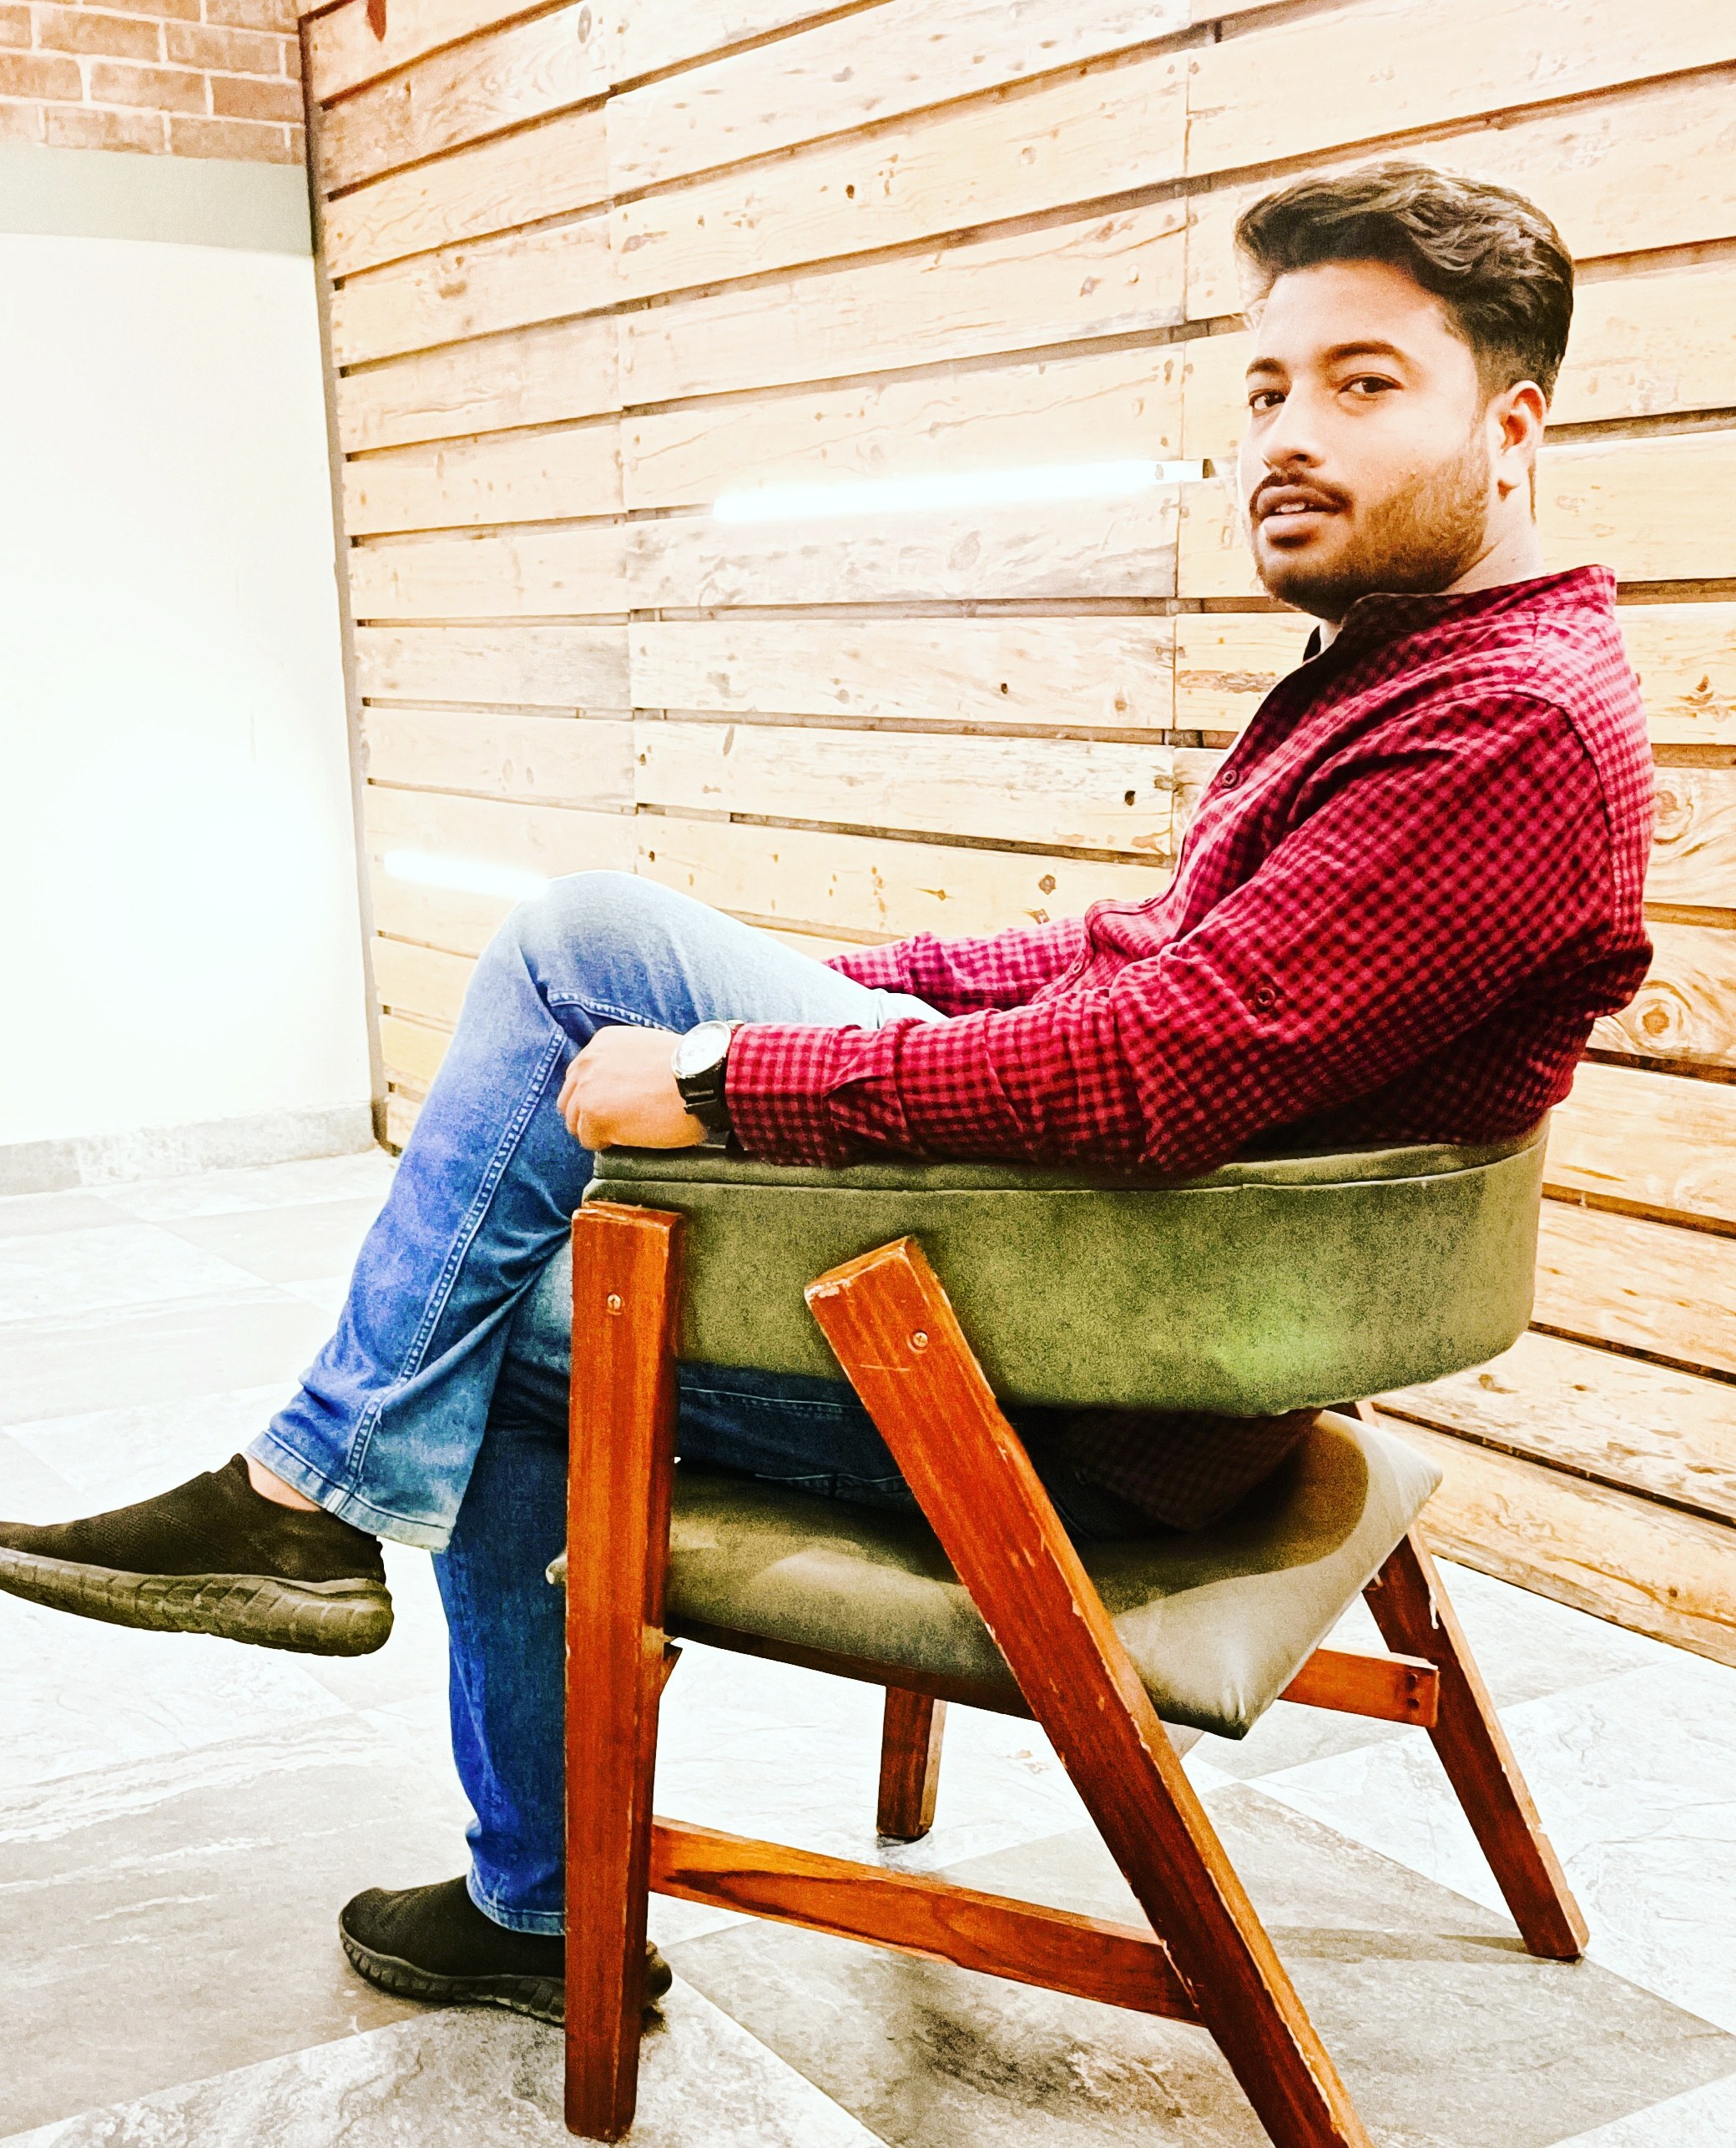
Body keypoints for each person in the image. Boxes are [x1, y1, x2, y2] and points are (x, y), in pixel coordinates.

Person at [0, 162, 1654, 2024]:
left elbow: (1147, 1074)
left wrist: (730, 1075)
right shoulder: (1422, 675)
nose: (1284, 433)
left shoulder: (1500, 728)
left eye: (1362, 384)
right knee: (568, 1115)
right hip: (1151, 1323)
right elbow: (1138, 958)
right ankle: (351, 1568)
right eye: (1266, 386)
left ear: (1511, 427)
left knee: (551, 1117)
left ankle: (353, 1579)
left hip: (1118, 1384)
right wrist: (854, 989)